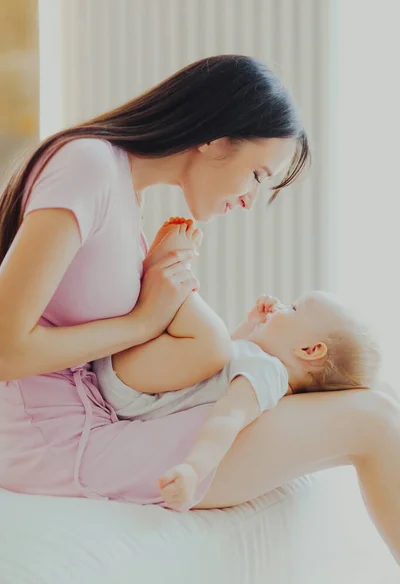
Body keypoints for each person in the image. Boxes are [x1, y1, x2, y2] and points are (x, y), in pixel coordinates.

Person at [0, 55, 399, 565]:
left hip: (98, 423)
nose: (250, 199)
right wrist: (141, 321)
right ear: (214, 138)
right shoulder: (88, 165)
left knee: (376, 395)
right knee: (376, 420)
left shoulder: (126, 194)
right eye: (257, 173)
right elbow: (7, 350)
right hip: (62, 442)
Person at [93, 217, 381, 510]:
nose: (281, 306)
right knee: (209, 341)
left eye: (293, 308)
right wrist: (250, 325)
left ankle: (168, 268)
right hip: (131, 379)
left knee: (207, 334)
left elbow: (226, 419)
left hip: (136, 391)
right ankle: (163, 273)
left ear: (309, 350)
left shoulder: (269, 374)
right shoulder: (259, 364)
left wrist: (194, 469)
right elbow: (220, 362)